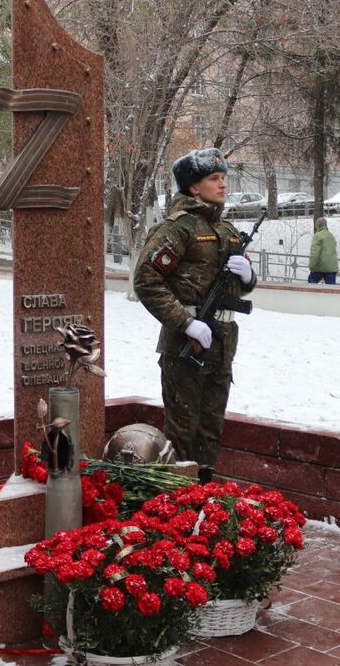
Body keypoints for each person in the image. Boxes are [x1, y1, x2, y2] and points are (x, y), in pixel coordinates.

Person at [133, 147, 256, 485]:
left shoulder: (228, 230)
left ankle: (203, 498)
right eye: (213, 179)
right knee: (183, 432)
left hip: (221, 347)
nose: (222, 185)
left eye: (224, 178)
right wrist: (185, 321)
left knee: (211, 430)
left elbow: (241, 289)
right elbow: (146, 280)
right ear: (193, 187)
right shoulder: (179, 229)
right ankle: (178, 502)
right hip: (184, 347)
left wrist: (247, 276)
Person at [308, 217, 338, 285]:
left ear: (317, 225)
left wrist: (311, 266)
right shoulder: (331, 236)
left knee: (310, 285)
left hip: (319, 267)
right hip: (332, 268)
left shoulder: (317, 236)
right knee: (331, 289)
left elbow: (314, 253)